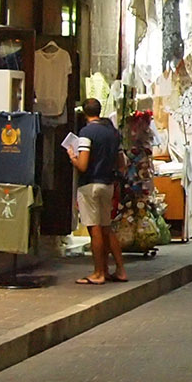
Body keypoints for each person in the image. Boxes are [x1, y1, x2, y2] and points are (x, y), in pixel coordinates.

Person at [70, 99, 126, 285]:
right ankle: (120, 269)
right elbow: (122, 163)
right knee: (106, 227)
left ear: (85, 113)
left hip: (90, 185)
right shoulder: (113, 133)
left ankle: (99, 272)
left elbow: (83, 165)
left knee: (94, 229)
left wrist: (73, 157)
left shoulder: (86, 133)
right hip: (108, 184)